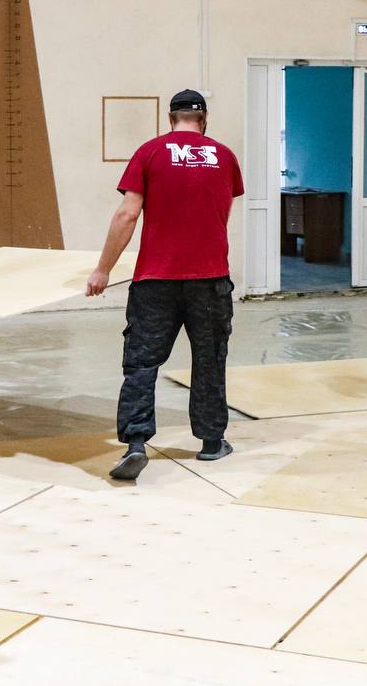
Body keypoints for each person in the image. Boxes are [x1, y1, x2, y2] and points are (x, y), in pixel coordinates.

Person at [86, 89, 244, 480]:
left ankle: (136, 443)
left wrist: (103, 269)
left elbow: (127, 214)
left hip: (156, 279)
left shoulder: (150, 153)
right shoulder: (224, 157)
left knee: (142, 362)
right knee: (209, 358)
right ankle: (211, 442)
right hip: (209, 279)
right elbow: (221, 212)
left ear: (170, 118)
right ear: (204, 119)